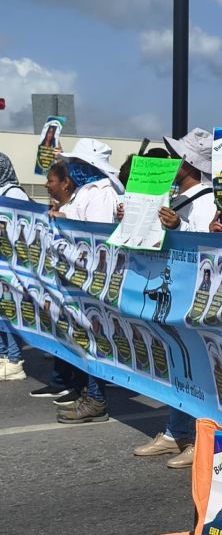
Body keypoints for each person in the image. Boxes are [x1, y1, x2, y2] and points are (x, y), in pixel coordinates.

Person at [47, 141, 123, 423]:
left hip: (92, 277)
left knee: (94, 338)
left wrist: (65, 218)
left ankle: (96, 398)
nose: (73, 168)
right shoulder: (86, 190)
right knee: (86, 337)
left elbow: (95, 234)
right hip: (79, 275)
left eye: (78, 163)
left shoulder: (101, 192)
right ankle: (90, 393)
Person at [0, 153, 31, 381]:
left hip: (12, 265)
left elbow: (20, 229)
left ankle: (14, 360)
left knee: (11, 312)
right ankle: (3, 355)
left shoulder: (14, 194)